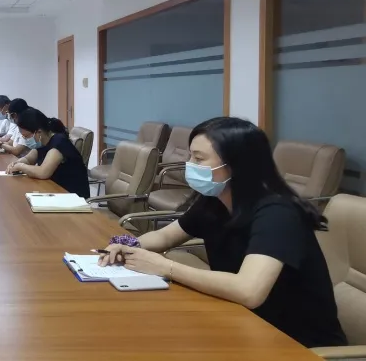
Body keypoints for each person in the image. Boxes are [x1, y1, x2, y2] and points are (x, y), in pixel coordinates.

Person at [96, 117, 347, 349]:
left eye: (199, 159)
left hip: (295, 344)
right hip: (242, 321)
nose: (189, 165)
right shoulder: (215, 200)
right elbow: (165, 236)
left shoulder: (278, 214)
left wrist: (166, 267)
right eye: (191, 156)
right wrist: (129, 245)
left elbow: (249, 290)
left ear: (236, 165)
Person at [6, 108, 89, 194]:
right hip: (55, 189)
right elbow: (28, 159)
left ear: (39, 132)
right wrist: (16, 163)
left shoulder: (59, 142)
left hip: (71, 194)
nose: (25, 140)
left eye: (26, 136)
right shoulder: (43, 143)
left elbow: (43, 172)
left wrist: (21, 166)